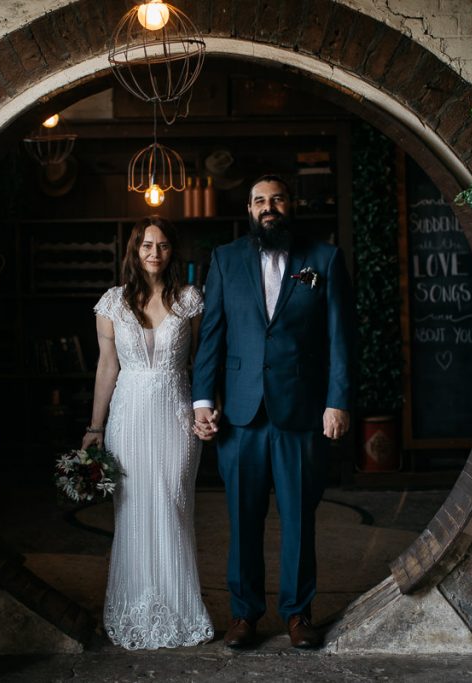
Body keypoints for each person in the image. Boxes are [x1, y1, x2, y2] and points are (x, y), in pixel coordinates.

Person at [191, 174, 352, 649]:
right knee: (242, 519)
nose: (269, 207)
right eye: (260, 200)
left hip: (300, 413)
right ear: (249, 208)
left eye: (276, 199)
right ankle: (244, 615)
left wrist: (337, 400)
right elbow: (212, 337)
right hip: (239, 416)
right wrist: (203, 401)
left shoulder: (323, 259)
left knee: (299, 518)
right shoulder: (224, 259)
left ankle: (298, 614)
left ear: (290, 204)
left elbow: (340, 337)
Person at [82, 215, 214, 650]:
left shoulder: (191, 300)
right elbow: (106, 368)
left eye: (162, 246)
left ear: (172, 252)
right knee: (134, 510)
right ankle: (135, 605)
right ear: (134, 252)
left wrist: (205, 408)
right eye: (146, 246)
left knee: (174, 502)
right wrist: (95, 427)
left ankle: (179, 610)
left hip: (176, 413)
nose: (154, 253)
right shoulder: (112, 303)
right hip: (128, 415)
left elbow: (202, 361)